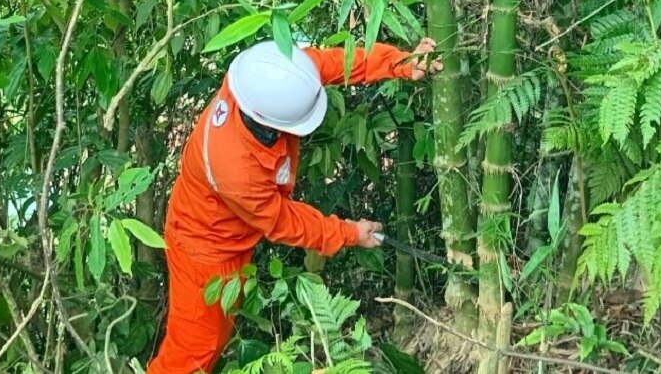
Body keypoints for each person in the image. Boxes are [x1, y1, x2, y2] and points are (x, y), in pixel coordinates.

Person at [147, 38, 442, 374]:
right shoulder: (234, 167)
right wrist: (348, 233)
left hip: (232, 234)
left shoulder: (273, 76)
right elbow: (283, 221)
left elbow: (340, 62)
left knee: (217, 337)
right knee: (195, 350)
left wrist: (401, 62)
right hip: (205, 248)